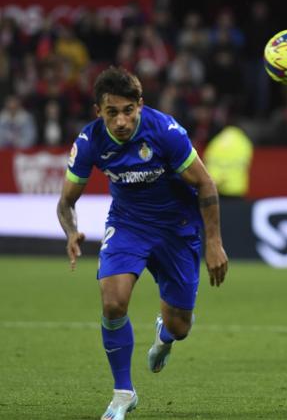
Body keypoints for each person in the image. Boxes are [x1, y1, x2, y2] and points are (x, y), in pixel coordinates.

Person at [56, 66, 229, 420]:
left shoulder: (165, 132)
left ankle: (164, 336)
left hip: (177, 229)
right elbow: (65, 202)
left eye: (128, 111)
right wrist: (71, 231)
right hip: (128, 225)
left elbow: (206, 184)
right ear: (98, 112)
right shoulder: (89, 142)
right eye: (111, 112)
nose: (121, 121)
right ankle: (123, 394)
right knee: (113, 302)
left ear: (140, 105)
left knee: (180, 327)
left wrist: (214, 243)